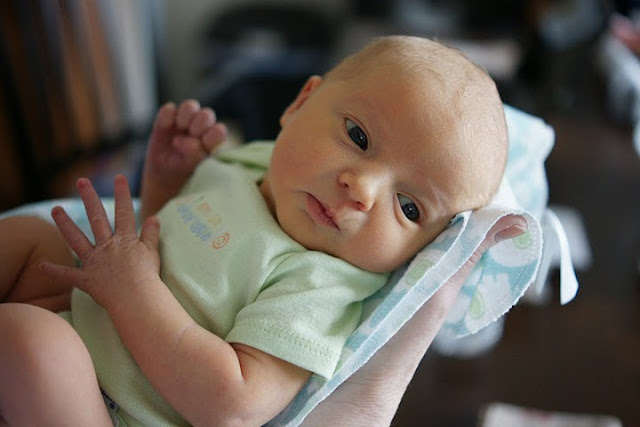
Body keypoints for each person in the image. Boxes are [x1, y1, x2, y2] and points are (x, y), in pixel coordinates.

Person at [0, 35, 514, 425]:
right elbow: (165, 240)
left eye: (408, 207)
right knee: (28, 239)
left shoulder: (319, 286)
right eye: (358, 137)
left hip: (114, 407)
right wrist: (169, 181)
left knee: (31, 341)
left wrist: (131, 292)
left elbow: (233, 406)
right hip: (86, 312)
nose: (361, 189)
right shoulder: (251, 166)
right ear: (301, 103)